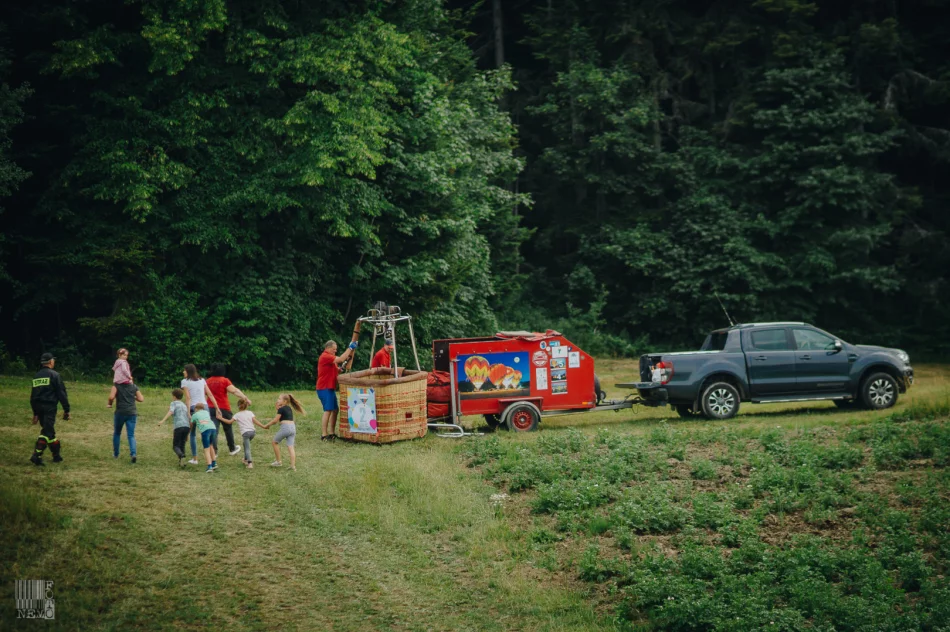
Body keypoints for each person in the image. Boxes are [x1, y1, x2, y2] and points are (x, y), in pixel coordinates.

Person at [29, 352, 70, 466]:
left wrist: (35, 413)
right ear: (51, 362)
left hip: (38, 407)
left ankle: (56, 456)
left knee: (49, 432)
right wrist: (66, 410)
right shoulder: (55, 375)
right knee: (46, 431)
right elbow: (62, 394)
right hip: (49, 407)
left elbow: (33, 396)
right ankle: (36, 455)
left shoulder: (36, 376)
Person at [206, 363, 251, 457]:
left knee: (214, 430)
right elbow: (234, 391)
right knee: (228, 429)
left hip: (210, 408)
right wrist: (245, 398)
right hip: (224, 408)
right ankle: (232, 448)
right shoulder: (224, 380)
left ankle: (214, 452)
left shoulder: (208, 381)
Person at [316, 340, 357, 441]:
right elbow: (341, 358)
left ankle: (331, 433)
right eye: (334, 350)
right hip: (324, 387)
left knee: (335, 410)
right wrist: (350, 348)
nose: (335, 351)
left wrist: (341, 368)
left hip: (330, 387)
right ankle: (324, 435)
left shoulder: (330, 359)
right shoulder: (325, 356)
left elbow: (335, 369)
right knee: (328, 410)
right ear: (328, 348)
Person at [181, 364, 220, 465]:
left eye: (184, 371)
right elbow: (209, 394)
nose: (183, 372)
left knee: (193, 434)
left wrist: (188, 411)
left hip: (194, 408)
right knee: (207, 429)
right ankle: (212, 458)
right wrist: (216, 407)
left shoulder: (185, 382)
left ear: (188, 372)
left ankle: (195, 458)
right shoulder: (202, 380)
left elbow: (188, 398)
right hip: (205, 407)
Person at [267, 393, 305, 470]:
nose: (277, 400)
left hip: (286, 428)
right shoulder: (288, 408)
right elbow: (284, 415)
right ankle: (293, 466)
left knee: (274, 442)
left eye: (279, 399)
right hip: (293, 428)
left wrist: (267, 425)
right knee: (291, 447)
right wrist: (277, 409)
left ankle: (278, 462)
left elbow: (275, 421)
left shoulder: (281, 409)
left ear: (284, 401)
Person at [230, 398, 268, 469]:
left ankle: (250, 463)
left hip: (245, 433)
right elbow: (255, 421)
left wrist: (220, 418)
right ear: (246, 406)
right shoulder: (250, 413)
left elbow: (229, 422)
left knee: (247, 448)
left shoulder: (237, 415)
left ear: (238, 406)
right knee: (245, 444)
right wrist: (264, 426)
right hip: (253, 432)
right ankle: (245, 459)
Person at [113, 378, 144, 463]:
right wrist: (134, 397)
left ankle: (116, 454)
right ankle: (133, 454)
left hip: (120, 412)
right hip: (132, 413)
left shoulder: (117, 386)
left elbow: (111, 396)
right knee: (131, 435)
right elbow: (141, 399)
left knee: (117, 433)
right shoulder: (134, 387)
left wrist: (110, 403)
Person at [158, 388, 191, 467]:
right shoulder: (184, 405)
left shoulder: (174, 403)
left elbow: (171, 411)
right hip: (186, 426)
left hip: (179, 426)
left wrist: (162, 420)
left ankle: (181, 455)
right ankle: (182, 462)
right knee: (182, 444)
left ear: (174, 396)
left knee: (175, 446)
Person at [192, 403, 218, 473]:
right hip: (213, 428)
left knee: (206, 449)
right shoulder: (206, 412)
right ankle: (214, 463)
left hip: (205, 431)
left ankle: (209, 466)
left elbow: (191, 423)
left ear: (196, 409)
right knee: (211, 445)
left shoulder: (195, 414)